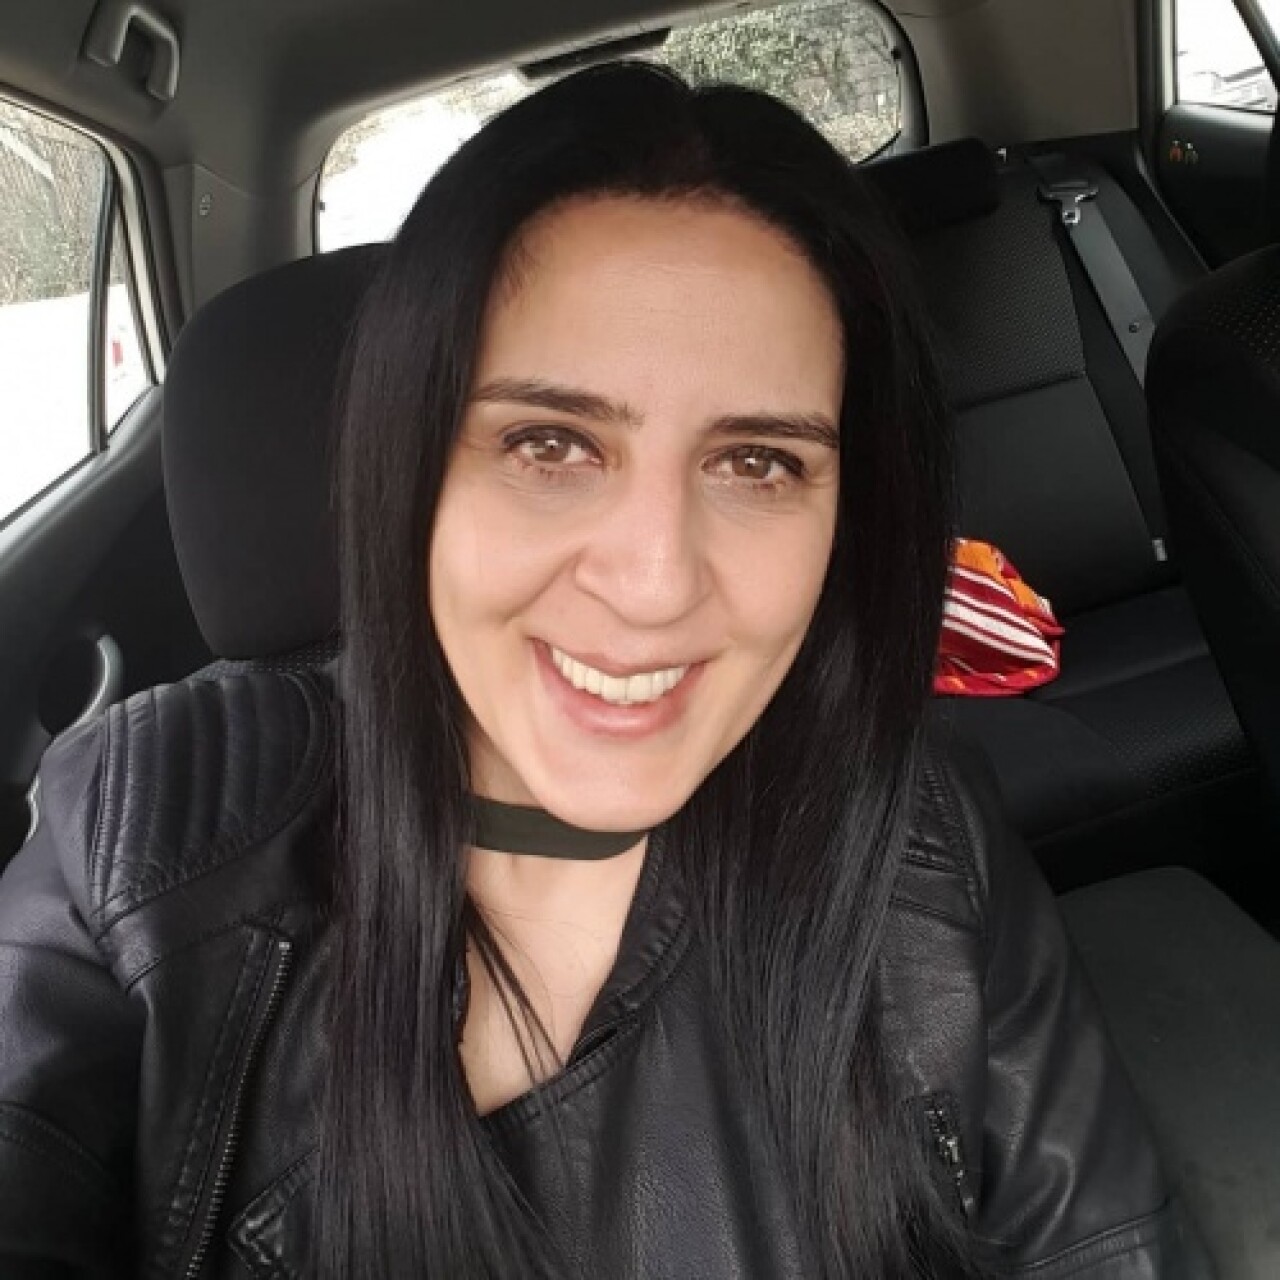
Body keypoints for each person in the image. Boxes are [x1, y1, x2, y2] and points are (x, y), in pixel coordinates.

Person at [0, 62, 1200, 1279]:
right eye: (549, 443)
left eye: (757, 463)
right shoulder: (143, 835)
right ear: (408, 466)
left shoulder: (919, 838)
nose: (654, 583)